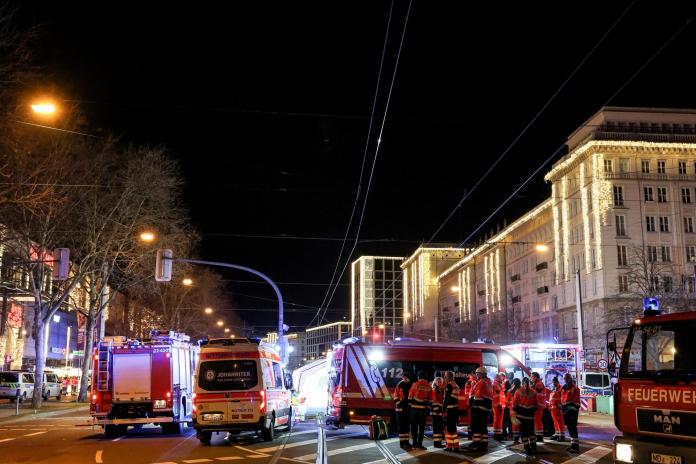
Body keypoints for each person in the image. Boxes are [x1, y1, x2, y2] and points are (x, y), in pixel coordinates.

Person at [468, 366, 493, 451]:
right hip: (485, 408)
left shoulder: (481, 382)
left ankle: (477, 443)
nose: (476, 375)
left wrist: (473, 406)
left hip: (479, 408)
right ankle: (483, 444)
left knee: (477, 427)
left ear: (482, 374)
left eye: (477, 374)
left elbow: (477, 397)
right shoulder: (489, 382)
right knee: (483, 427)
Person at [513, 377, 538, 454]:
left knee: (524, 433)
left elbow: (515, 403)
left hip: (521, 415)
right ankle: (533, 448)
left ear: (522, 383)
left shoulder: (518, 391)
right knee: (531, 432)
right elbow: (536, 404)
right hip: (530, 415)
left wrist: (514, 412)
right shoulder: (533, 392)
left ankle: (527, 449)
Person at [408, 371, 431, 450]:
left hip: (414, 409)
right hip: (423, 410)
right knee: (421, 428)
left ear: (418, 377)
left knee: (414, 427)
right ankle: (420, 444)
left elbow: (410, 397)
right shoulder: (428, 386)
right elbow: (431, 399)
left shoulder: (415, 384)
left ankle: (414, 444)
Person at [561, 373, 581, 454]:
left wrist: (567, 407)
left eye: (566, 378)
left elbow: (573, 401)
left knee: (573, 428)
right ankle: (573, 444)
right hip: (567, 410)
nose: (565, 380)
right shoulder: (565, 388)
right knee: (570, 428)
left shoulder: (574, 388)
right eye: (564, 378)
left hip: (572, 411)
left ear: (570, 378)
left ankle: (576, 447)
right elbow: (563, 399)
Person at [393, 372, 412, 449]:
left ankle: (406, 442)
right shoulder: (399, 385)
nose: (404, 379)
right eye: (403, 377)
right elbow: (395, 396)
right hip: (400, 409)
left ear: (408, 378)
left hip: (407, 409)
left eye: (406, 378)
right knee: (401, 427)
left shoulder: (411, 385)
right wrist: (398, 404)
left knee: (406, 426)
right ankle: (402, 443)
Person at [443, 371, 460, 452]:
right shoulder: (456, 385)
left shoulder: (449, 385)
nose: (444, 378)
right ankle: (455, 446)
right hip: (455, 409)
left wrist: (443, 410)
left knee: (449, 429)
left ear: (450, 377)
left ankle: (449, 446)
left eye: (446, 376)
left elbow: (446, 399)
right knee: (453, 429)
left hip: (450, 410)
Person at [531, 372, 548, 443]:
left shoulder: (538, 384)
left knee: (537, 420)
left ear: (535, 377)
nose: (531, 378)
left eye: (532, 377)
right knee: (537, 420)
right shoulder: (538, 383)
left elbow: (535, 393)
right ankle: (538, 434)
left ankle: (540, 436)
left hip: (538, 405)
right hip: (538, 404)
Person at [549, 376, 565, 441]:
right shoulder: (553, 388)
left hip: (558, 408)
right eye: (552, 382)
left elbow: (563, 397)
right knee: (555, 421)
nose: (553, 383)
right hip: (553, 408)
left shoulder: (561, 388)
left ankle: (561, 435)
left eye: (554, 382)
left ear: (556, 381)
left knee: (560, 421)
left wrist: (560, 405)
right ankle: (557, 433)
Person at [430, 376, 445, 448]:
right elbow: (434, 401)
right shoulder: (435, 389)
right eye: (438, 382)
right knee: (437, 428)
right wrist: (437, 410)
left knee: (439, 427)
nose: (439, 383)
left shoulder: (440, 390)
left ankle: (438, 442)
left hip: (439, 411)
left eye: (440, 382)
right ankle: (437, 443)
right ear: (435, 382)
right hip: (436, 412)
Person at [507, 378, 521, 444]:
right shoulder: (521, 390)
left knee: (513, 424)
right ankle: (520, 437)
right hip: (520, 409)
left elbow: (507, 401)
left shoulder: (510, 391)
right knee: (519, 424)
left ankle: (515, 438)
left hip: (512, 410)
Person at [464, 372, 477, 439]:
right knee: (471, 420)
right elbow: (468, 394)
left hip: (472, 403)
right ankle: (470, 434)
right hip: (471, 403)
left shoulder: (473, 381)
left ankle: (472, 434)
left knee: (472, 420)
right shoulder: (470, 382)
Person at [492, 372, 504, 440]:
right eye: (500, 377)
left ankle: (498, 433)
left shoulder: (498, 384)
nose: (501, 378)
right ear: (497, 378)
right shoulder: (496, 385)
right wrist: (499, 404)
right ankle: (497, 434)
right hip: (497, 405)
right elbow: (497, 396)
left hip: (499, 405)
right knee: (497, 420)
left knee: (499, 420)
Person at [501, 373, 512, 440]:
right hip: (505, 405)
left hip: (506, 405)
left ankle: (506, 433)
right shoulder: (504, 382)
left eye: (500, 376)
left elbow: (504, 392)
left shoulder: (506, 382)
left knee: (506, 420)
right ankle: (507, 433)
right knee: (506, 420)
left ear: (503, 376)